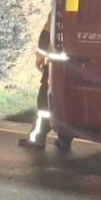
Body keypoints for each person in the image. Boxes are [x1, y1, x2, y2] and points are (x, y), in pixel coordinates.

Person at [18, 14, 72, 151]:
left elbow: (47, 33)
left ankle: (38, 138)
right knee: (68, 102)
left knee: (44, 103)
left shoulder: (63, 4)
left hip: (56, 65)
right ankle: (64, 140)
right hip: (75, 65)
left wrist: (41, 57)